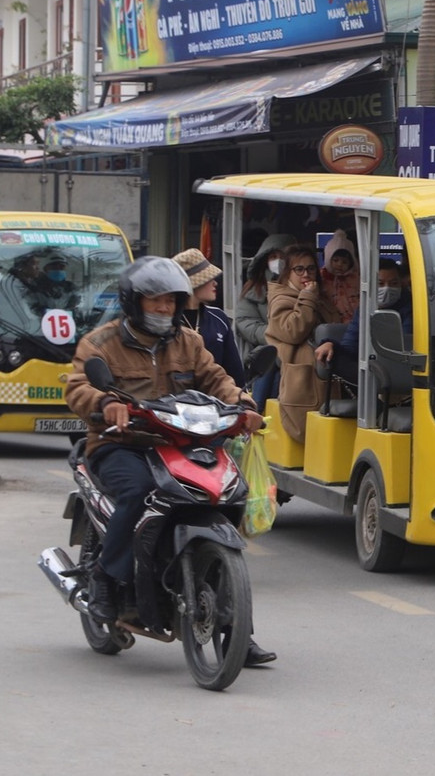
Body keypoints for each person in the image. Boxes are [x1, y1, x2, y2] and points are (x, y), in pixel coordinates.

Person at [64, 257, 265, 632]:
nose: (163, 308)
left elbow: (216, 378)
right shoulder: (101, 343)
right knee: (140, 490)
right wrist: (106, 404)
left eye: (170, 301)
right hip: (122, 443)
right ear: (132, 302)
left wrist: (244, 404)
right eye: (154, 300)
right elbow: (77, 387)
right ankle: (107, 580)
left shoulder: (189, 341)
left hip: (180, 443)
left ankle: (237, 630)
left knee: (230, 494)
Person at [169, 247, 276, 666]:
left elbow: (230, 377)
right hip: (161, 437)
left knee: (226, 523)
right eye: (207, 278)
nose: (215, 283)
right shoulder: (160, 327)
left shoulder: (216, 323)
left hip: (210, 438)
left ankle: (238, 636)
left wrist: (245, 405)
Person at [265, 245, 341, 443]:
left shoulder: (319, 298)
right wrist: (307, 297)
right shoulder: (281, 299)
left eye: (311, 269)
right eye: (299, 269)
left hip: (325, 374)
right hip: (302, 380)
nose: (306, 274)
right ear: (287, 273)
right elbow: (294, 330)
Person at [315, 258, 412, 385]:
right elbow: (349, 346)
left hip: (403, 369)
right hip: (370, 370)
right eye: (380, 284)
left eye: (393, 283)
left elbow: (404, 346)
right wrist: (330, 344)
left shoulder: (411, 308)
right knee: (336, 358)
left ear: (401, 284)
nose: (387, 289)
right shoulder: (364, 309)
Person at [236, 233, 297, 401]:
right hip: (264, 352)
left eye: (282, 256)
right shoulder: (253, 291)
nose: (278, 261)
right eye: (273, 256)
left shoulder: (301, 286)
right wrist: (278, 335)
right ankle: (258, 407)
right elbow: (245, 323)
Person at [172, 248, 244, 384]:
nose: (215, 283)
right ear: (193, 283)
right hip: (176, 402)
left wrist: (242, 398)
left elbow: (234, 371)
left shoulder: (219, 318)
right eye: (208, 278)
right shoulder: (167, 321)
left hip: (218, 399)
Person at [321, 229, 360, 324]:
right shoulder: (321, 277)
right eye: (335, 260)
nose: (339, 264)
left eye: (344, 262)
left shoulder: (357, 277)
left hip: (355, 322)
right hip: (330, 321)